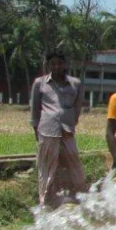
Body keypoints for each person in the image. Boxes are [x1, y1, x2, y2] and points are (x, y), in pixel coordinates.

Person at [30, 50, 86, 207]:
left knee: (75, 170)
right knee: (47, 170)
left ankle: (75, 201)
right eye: (53, 64)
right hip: (47, 131)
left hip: (67, 131)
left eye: (60, 63)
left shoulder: (75, 84)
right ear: (48, 65)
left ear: (65, 64)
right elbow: (35, 111)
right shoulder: (39, 83)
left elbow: (77, 107)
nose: (56, 67)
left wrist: (71, 122)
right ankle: (45, 204)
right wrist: (37, 132)